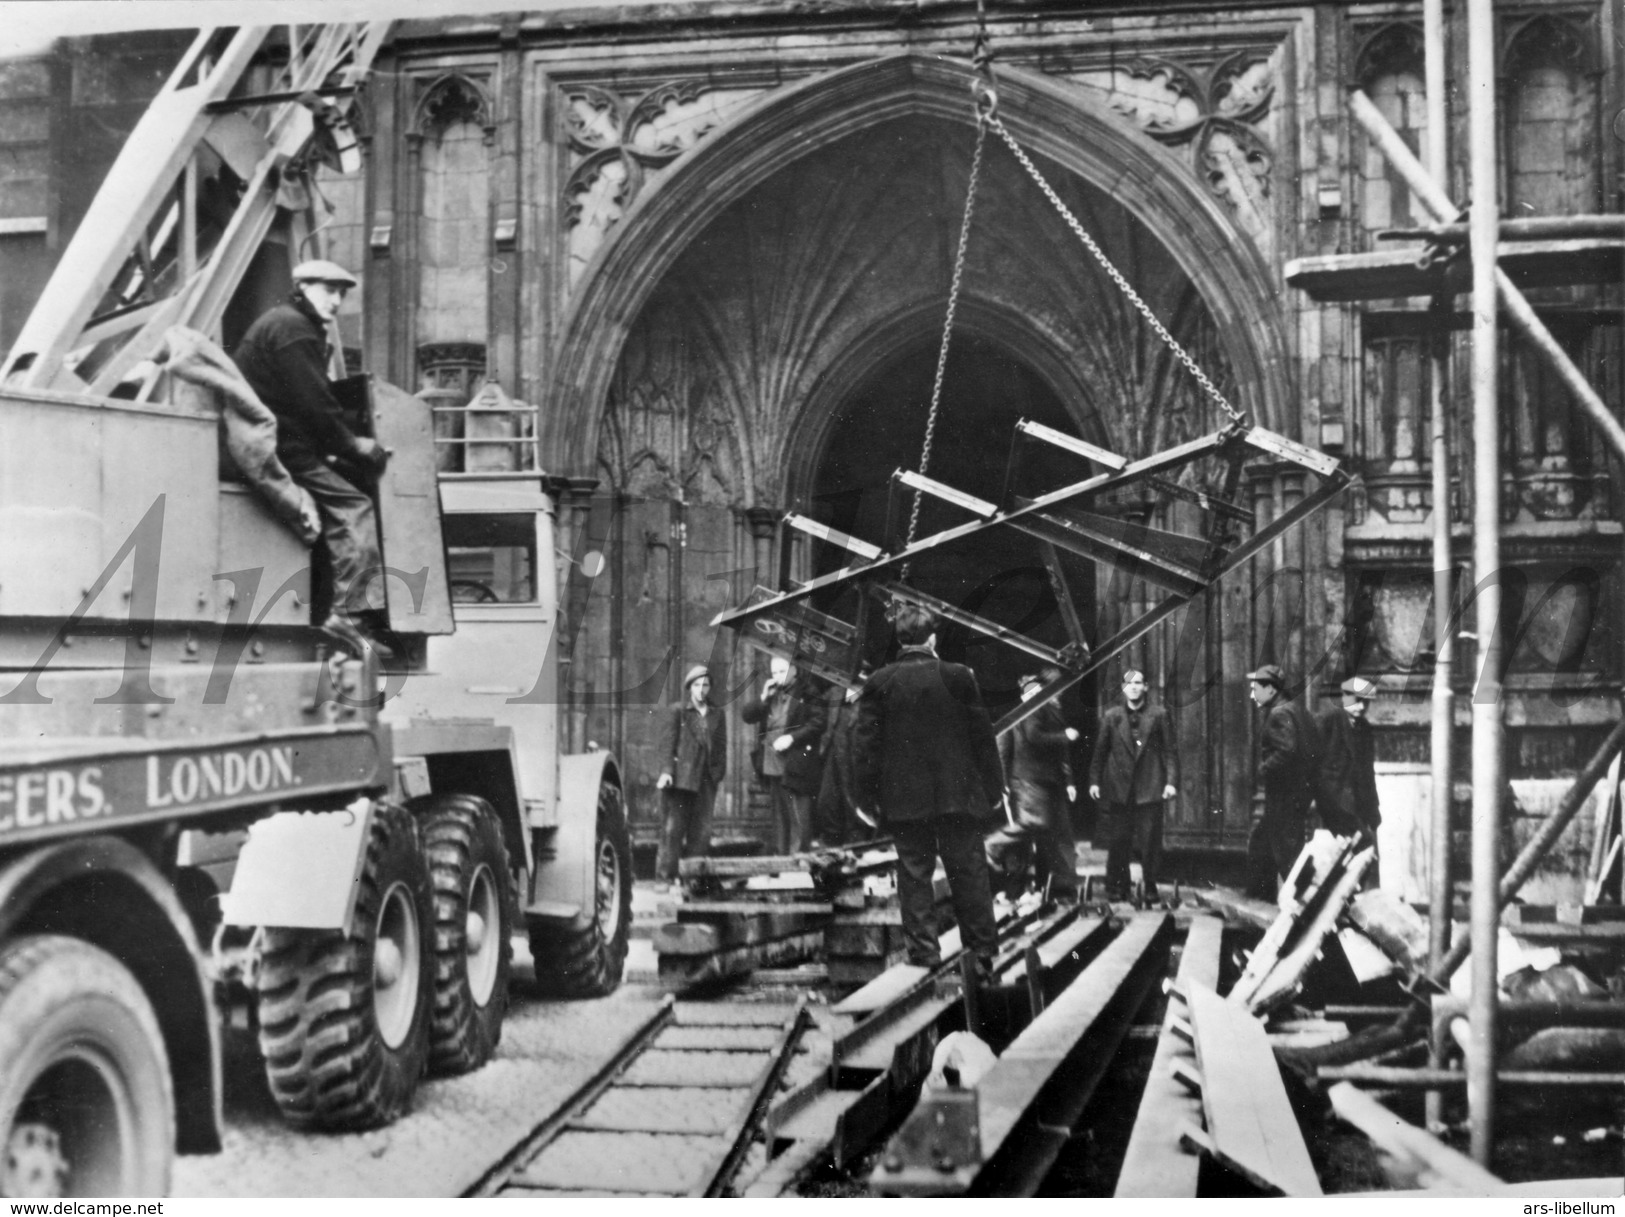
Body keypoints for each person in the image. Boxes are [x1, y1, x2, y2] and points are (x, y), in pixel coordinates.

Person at [233, 259, 389, 654]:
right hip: (284, 447)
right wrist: (353, 446)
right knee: (356, 508)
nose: (336, 300)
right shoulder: (294, 328)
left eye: (341, 293)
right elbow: (316, 404)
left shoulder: (286, 323)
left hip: (280, 441)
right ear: (302, 287)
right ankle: (348, 616)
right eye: (328, 290)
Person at [853, 605, 1003, 976]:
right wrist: (994, 789)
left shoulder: (879, 682)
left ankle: (924, 956)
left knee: (914, 874)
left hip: (904, 802)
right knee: (968, 871)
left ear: (901, 640)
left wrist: (866, 800)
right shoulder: (959, 676)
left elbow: (865, 748)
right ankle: (982, 952)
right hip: (959, 797)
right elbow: (983, 738)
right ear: (932, 639)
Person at [985, 668, 1081, 902]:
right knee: (1034, 828)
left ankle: (1049, 888)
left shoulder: (1048, 711)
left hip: (1046, 782)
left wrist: (1068, 781)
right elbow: (1004, 752)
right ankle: (1008, 877)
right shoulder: (1021, 717)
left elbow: (1060, 754)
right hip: (1026, 783)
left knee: (1048, 835)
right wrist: (1003, 784)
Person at [1089, 668, 1177, 902]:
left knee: (1149, 842)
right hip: (1120, 790)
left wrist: (1171, 783)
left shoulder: (1159, 715)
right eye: (1129, 683)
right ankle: (1119, 887)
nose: (1134, 687)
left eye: (1139, 682)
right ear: (1123, 688)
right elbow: (1100, 752)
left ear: (1146, 687)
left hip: (1150, 787)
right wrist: (1094, 781)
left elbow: (1170, 752)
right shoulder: (1112, 716)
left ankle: (1149, 886)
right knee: (1119, 840)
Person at [1246, 663, 1322, 898]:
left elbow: (1287, 750)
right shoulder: (1297, 709)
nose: (1252, 694)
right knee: (1262, 844)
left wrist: (1262, 769)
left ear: (1270, 689)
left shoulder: (1280, 714)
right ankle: (1260, 898)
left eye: (1255, 688)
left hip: (1285, 796)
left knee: (1288, 852)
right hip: (1296, 794)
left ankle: (1306, 903)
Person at [742, 656, 824, 854]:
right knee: (779, 816)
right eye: (775, 673)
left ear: (794, 670)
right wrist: (763, 699)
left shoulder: (808, 692)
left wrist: (792, 738)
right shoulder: (771, 693)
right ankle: (782, 857)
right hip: (772, 762)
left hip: (796, 761)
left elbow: (819, 722)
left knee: (798, 814)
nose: (778, 677)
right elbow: (747, 716)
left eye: (782, 671)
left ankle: (800, 859)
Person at [654, 664, 726, 884]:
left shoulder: (717, 713)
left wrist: (717, 774)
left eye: (705, 685)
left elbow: (721, 746)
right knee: (672, 831)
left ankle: (692, 879)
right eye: (697, 685)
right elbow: (667, 745)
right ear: (689, 687)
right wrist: (667, 772)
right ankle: (665, 878)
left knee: (701, 833)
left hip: (706, 780)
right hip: (681, 780)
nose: (701, 689)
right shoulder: (679, 711)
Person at [1317, 675, 1382, 886]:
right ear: (1344, 698)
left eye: (1366, 702)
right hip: (1333, 802)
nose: (1361, 707)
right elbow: (1313, 765)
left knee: (1363, 853)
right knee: (1358, 847)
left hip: (1360, 802)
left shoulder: (1365, 729)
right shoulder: (1329, 722)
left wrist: (1374, 809)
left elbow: (1368, 772)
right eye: (1356, 701)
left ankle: (1355, 902)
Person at [812, 662, 873, 849]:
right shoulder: (835, 693)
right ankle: (831, 841)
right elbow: (815, 708)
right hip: (833, 754)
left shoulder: (871, 698)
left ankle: (858, 843)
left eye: (864, 674)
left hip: (856, 758)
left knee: (854, 802)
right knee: (827, 801)